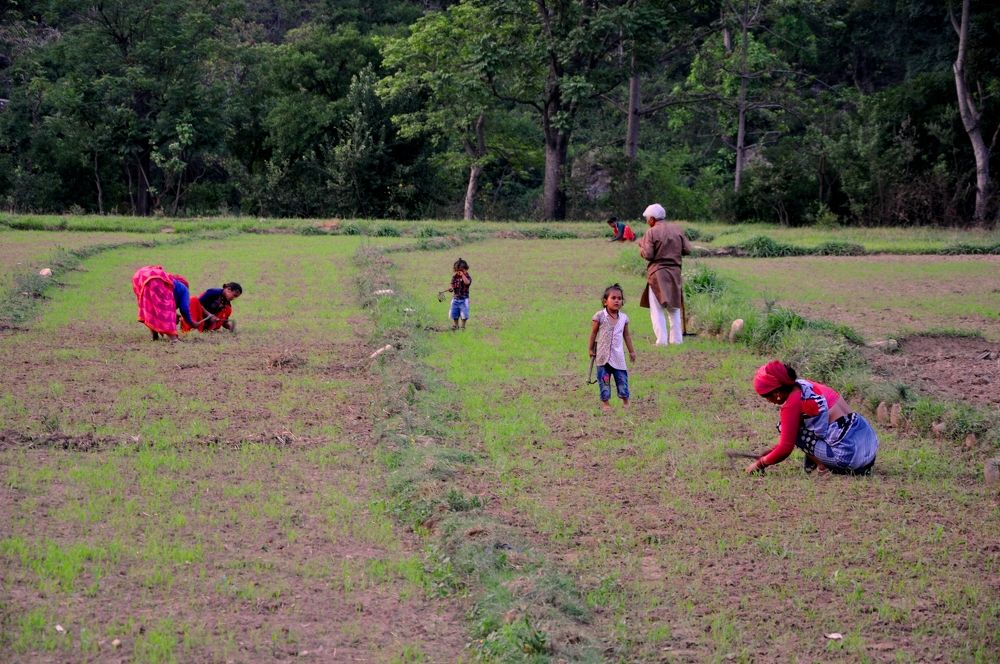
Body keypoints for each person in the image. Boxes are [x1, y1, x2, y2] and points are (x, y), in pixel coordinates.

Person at [745, 361, 879, 476]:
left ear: (777, 393)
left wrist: (760, 464)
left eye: (766, 397)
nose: (768, 401)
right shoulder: (806, 386)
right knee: (797, 427)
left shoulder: (792, 404)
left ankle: (822, 466)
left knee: (785, 427)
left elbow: (786, 448)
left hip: (850, 457)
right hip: (869, 449)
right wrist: (772, 452)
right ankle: (818, 461)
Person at [638, 203, 690, 345]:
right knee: (674, 307)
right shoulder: (677, 229)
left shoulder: (651, 232)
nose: (647, 221)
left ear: (653, 219)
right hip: (675, 273)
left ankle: (661, 341)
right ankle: (677, 340)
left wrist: (641, 247)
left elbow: (648, 254)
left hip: (658, 273)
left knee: (657, 308)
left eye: (647, 218)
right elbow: (687, 250)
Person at [587, 284, 637, 411]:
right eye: (613, 298)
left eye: (619, 298)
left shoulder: (624, 318)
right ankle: (606, 403)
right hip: (602, 357)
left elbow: (627, 335)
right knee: (604, 380)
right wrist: (590, 349)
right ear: (605, 301)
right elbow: (593, 333)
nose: (616, 300)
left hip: (618, 356)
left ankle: (625, 400)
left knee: (622, 379)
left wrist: (631, 351)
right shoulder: (599, 316)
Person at [131, 265, 198, 342]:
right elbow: (184, 309)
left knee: (150, 308)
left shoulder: (170, 284)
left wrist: (174, 314)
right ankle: (174, 339)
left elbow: (157, 308)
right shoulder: (183, 288)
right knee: (166, 312)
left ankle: (155, 336)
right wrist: (192, 323)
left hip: (140, 276)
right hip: (155, 276)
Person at [445, 258, 472, 330]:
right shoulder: (454, 277)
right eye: (457, 271)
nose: (459, 272)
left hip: (464, 299)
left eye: (461, 271)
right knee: (454, 313)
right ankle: (456, 325)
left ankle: (463, 326)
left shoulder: (467, 277)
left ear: (466, 269)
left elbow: (467, 282)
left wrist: (463, 275)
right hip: (456, 298)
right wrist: (451, 288)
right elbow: (452, 285)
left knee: (464, 314)